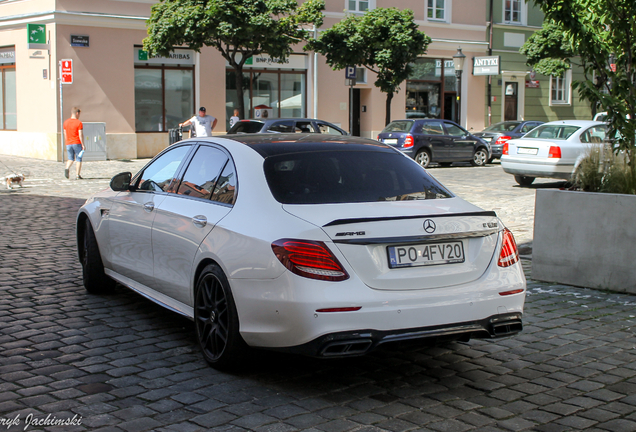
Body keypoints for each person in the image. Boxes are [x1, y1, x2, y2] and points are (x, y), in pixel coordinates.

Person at [63, 107, 85, 180]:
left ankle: (67, 168)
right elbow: (80, 134)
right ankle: (77, 175)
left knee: (70, 158)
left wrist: (67, 141)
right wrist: (83, 144)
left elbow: (65, 133)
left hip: (68, 143)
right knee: (78, 159)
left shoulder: (66, 122)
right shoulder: (78, 123)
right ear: (77, 113)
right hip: (76, 142)